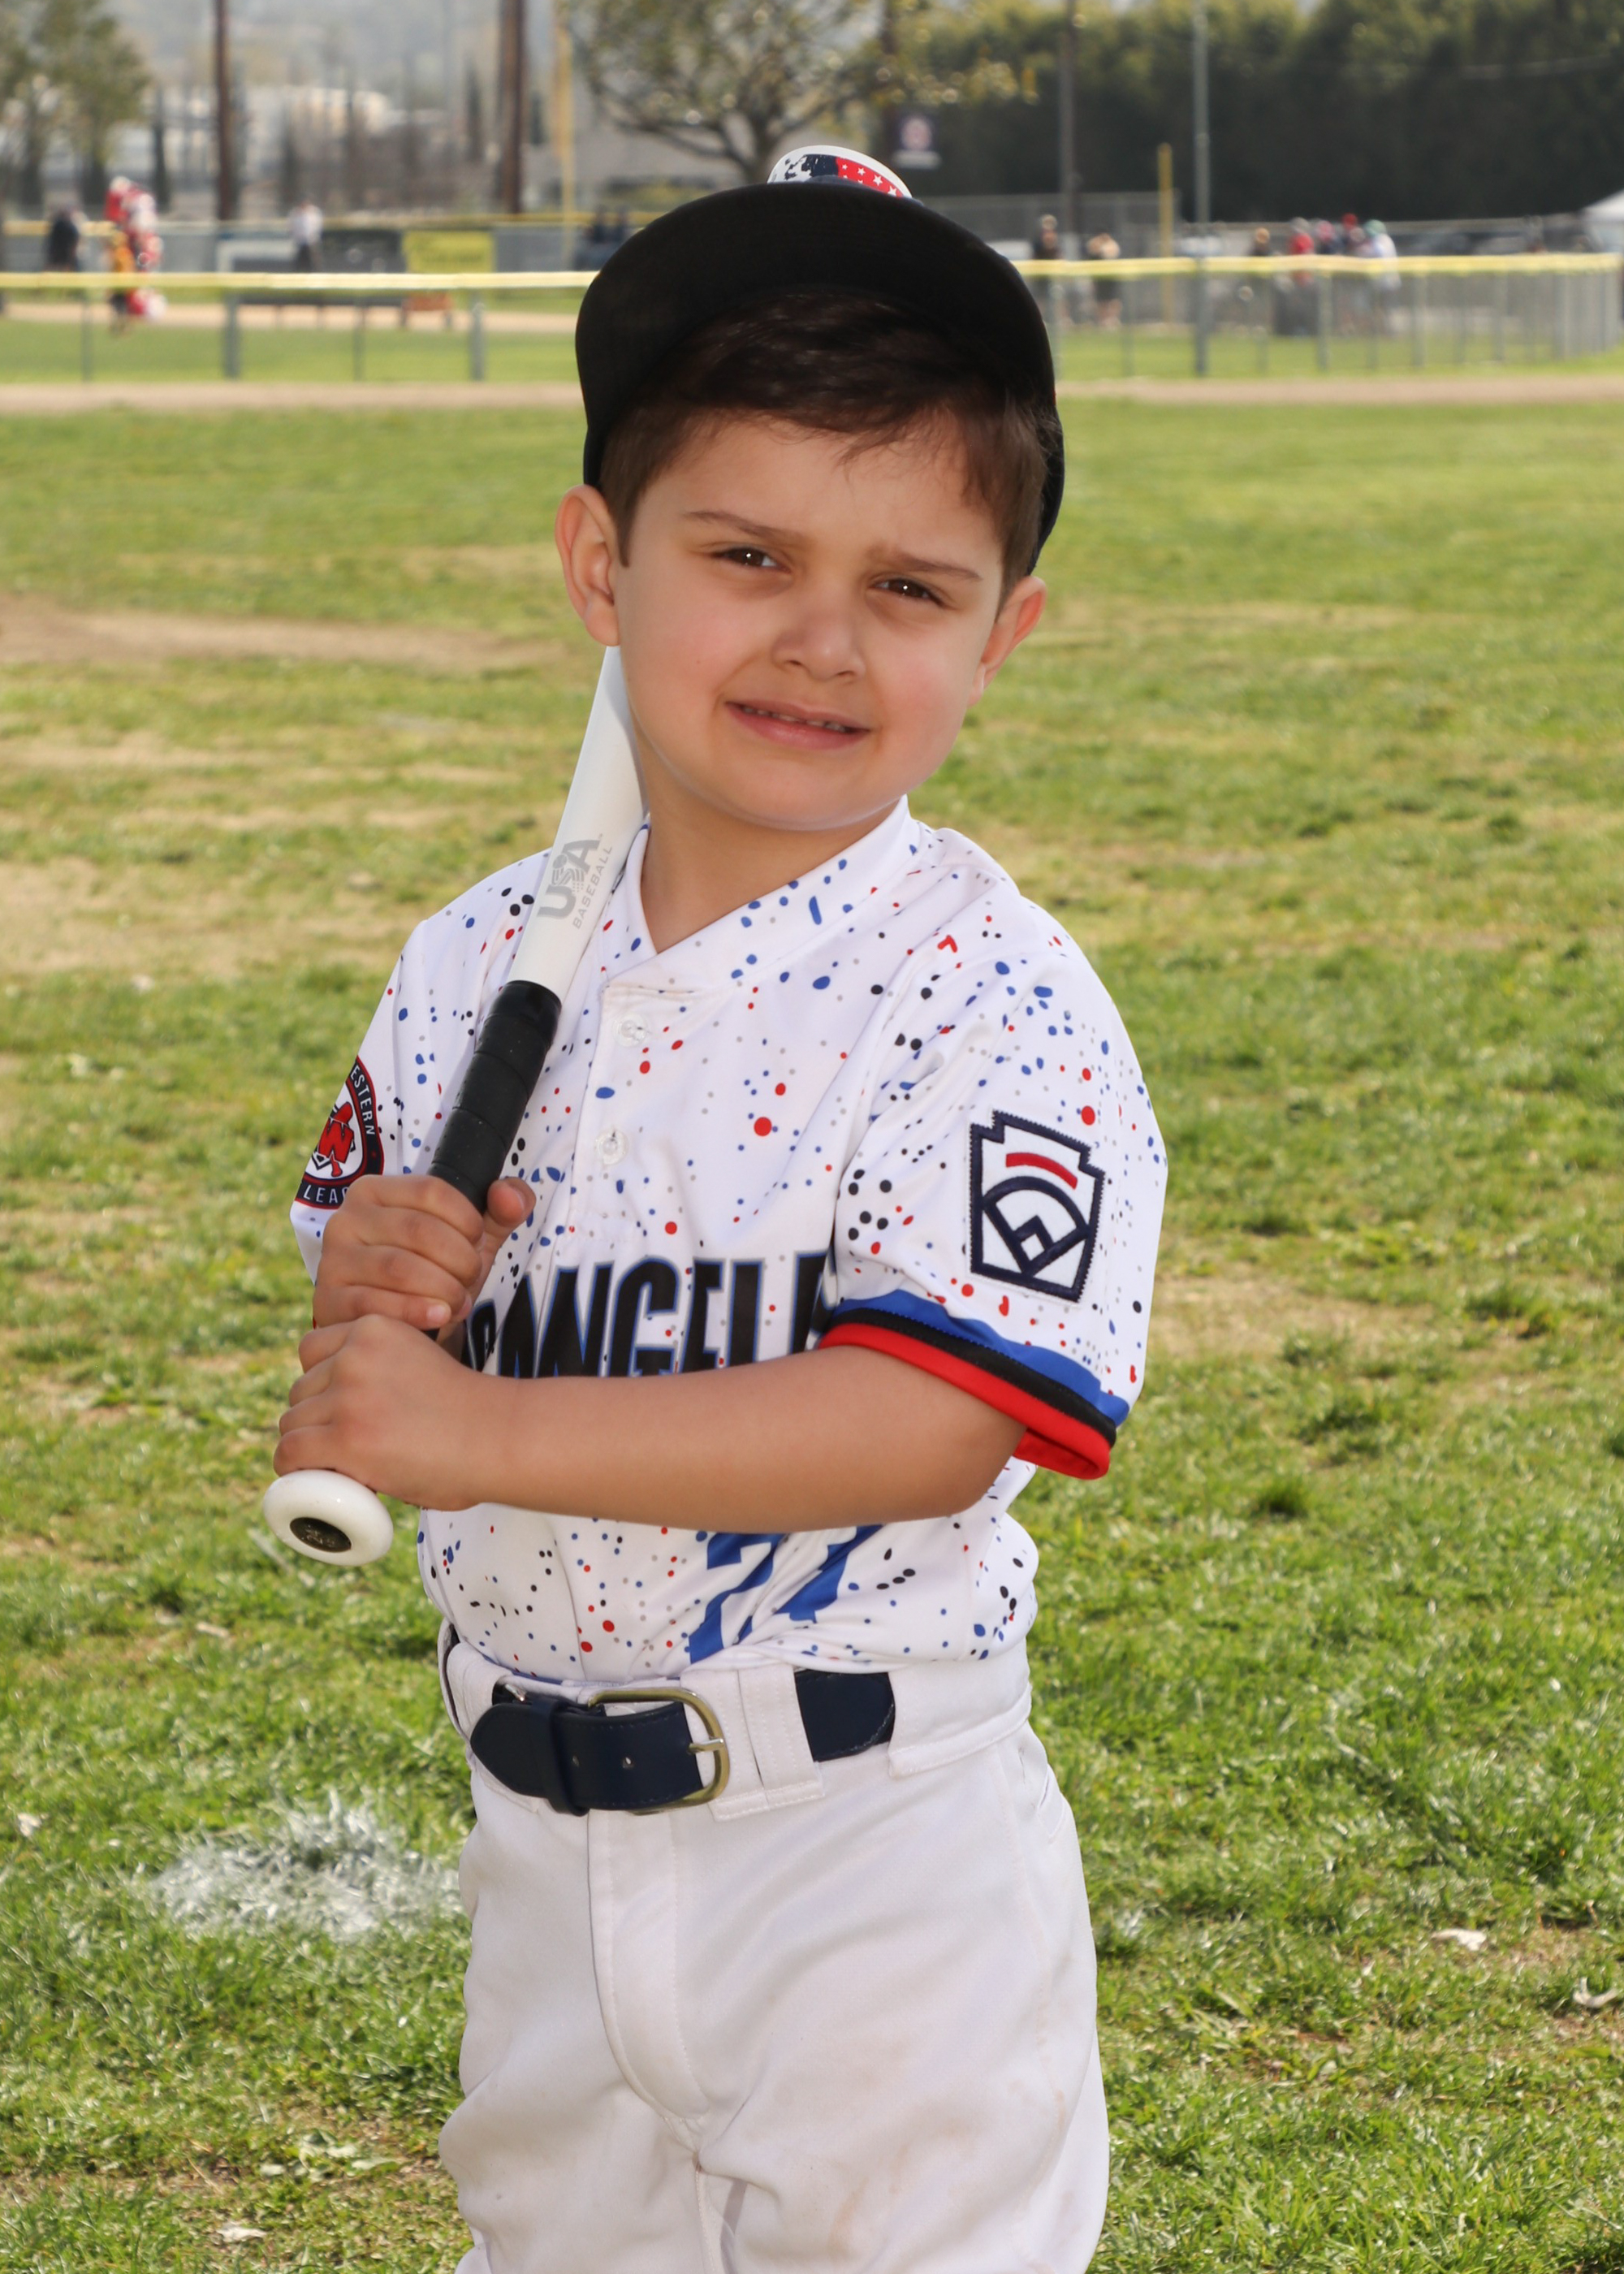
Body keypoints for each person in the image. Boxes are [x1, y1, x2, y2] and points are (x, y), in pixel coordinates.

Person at [274, 143, 1165, 2274]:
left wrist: (475, 1427)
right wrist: (374, 1276)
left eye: (910, 588)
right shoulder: (469, 963)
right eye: (748, 553)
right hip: (541, 1849)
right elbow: (376, 1300)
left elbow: (928, 1418)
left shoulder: (989, 991)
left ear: (1005, 634)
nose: (821, 640)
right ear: (603, 560)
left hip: (869, 1860)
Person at [289, 196, 322, 272]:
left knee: (313, 261)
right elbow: (292, 227)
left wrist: (313, 237)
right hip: (300, 242)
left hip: (311, 241)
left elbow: (317, 226)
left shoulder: (314, 213)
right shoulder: (295, 213)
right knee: (299, 262)